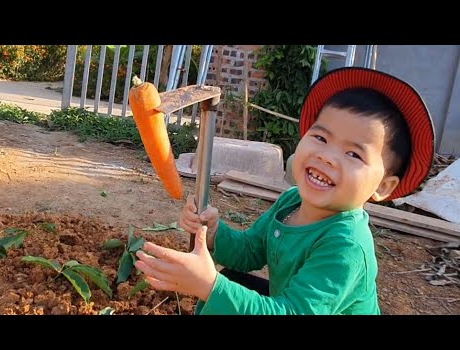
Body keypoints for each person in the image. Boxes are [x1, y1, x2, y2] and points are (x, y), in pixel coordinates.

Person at [134, 67, 435, 315]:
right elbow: (251, 250)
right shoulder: (292, 202)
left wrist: (208, 285)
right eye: (321, 137)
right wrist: (214, 233)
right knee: (229, 284)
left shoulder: (346, 246)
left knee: (219, 291)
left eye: (354, 154)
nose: (327, 156)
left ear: (383, 186)